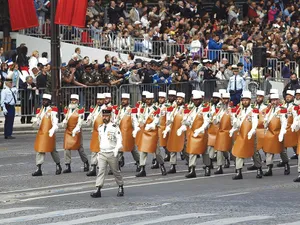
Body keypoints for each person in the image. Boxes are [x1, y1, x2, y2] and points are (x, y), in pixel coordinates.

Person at [90, 108, 124, 198]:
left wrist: (116, 149)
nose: (105, 118)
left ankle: (120, 186)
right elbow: (99, 140)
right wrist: (99, 152)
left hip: (112, 153)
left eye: (107, 116)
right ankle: (98, 189)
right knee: (101, 171)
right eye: (103, 116)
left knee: (115, 171)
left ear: (110, 116)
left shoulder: (114, 127)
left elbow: (120, 140)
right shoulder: (100, 127)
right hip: (102, 153)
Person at [177, 91, 211, 178]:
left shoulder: (205, 109)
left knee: (204, 151)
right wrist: (182, 126)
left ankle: (207, 166)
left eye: (197, 100)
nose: (196, 102)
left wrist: (200, 129)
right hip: (193, 133)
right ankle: (192, 169)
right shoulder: (191, 110)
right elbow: (189, 122)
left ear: (201, 100)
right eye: (194, 100)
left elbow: (207, 122)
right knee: (192, 151)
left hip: (202, 133)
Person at [133, 92, 167, 177]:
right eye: (146, 99)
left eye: (149, 99)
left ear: (152, 100)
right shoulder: (143, 108)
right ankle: (142, 169)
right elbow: (140, 117)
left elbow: (156, 120)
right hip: (145, 132)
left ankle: (162, 165)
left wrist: (150, 125)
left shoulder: (156, 109)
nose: (147, 101)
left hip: (153, 133)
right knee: (142, 150)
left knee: (157, 152)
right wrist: (139, 124)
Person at [230, 91, 259, 180]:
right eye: (243, 100)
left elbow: (255, 123)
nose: (245, 102)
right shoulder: (240, 111)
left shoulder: (254, 110)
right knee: (239, 152)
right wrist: (233, 126)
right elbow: (238, 124)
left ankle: (259, 168)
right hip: (241, 135)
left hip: (251, 135)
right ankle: (239, 172)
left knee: (254, 152)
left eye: (246, 100)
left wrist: (252, 131)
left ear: (250, 101)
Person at [32, 94, 62, 176]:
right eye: (43, 100)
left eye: (46, 100)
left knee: (52, 150)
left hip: (49, 134)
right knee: (40, 150)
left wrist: (53, 130)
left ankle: (58, 165)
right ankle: (39, 168)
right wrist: (35, 122)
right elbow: (38, 122)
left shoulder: (52, 111)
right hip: (41, 134)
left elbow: (55, 123)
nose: (44, 101)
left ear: (49, 101)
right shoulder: (40, 110)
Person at [61, 94, 89, 173]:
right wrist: (64, 122)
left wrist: (76, 129)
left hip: (76, 131)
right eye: (72, 100)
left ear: (77, 101)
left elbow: (80, 121)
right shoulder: (67, 108)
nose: (73, 101)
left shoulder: (80, 109)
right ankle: (67, 165)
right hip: (68, 130)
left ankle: (86, 162)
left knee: (79, 148)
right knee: (66, 148)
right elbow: (65, 118)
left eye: (74, 100)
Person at [263, 93, 287, 176]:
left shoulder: (282, 110)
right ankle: (269, 168)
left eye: (275, 100)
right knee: (269, 150)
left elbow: (284, 122)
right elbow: (266, 121)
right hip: (270, 133)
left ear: (278, 101)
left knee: (282, 150)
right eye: (272, 100)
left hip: (278, 132)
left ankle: (286, 163)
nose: (273, 102)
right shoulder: (269, 110)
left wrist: (282, 133)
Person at [115, 93, 140, 172]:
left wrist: (135, 130)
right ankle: (118, 164)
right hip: (121, 132)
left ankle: (139, 162)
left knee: (133, 149)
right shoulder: (119, 109)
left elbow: (135, 121)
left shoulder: (132, 110)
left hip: (129, 132)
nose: (123, 101)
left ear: (128, 101)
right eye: (122, 100)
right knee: (120, 148)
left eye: (125, 100)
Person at [163, 92, 186, 174]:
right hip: (174, 131)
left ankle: (191, 164)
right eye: (177, 99)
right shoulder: (174, 109)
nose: (178, 100)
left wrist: (182, 128)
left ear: (183, 99)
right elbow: (170, 120)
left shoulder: (186, 109)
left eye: (180, 99)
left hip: (183, 132)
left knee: (185, 148)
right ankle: (173, 165)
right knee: (173, 147)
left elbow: (187, 121)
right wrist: (167, 129)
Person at [85, 93, 106, 176]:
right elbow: (90, 121)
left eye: (101, 100)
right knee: (94, 150)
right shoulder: (95, 109)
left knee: (103, 151)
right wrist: (89, 120)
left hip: (103, 133)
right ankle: (93, 167)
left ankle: (106, 167)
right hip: (95, 132)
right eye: (98, 100)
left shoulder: (106, 109)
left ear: (104, 100)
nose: (99, 101)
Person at [247, 90, 267, 171]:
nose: (258, 98)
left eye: (260, 97)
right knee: (254, 148)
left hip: (263, 129)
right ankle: (256, 163)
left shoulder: (265, 107)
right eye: (257, 97)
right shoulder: (252, 107)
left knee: (266, 148)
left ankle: (269, 163)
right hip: (254, 129)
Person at [213, 92, 233, 173]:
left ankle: (236, 165)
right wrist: (215, 118)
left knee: (231, 150)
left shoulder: (232, 109)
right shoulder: (220, 110)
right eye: (223, 99)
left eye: (226, 99)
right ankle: (219, 166)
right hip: (221, 132)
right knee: (219, 149)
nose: (225, 101)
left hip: (229, 132)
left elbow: (234, 122)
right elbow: (216, 122)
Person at [1, 74, 18, 139]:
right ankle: (7, 134)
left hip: (12, 106)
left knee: (11, 120)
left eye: (11, 82)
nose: (11, 84)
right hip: (7, 106)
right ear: (6, 83)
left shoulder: (12, 90)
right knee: (8, 120)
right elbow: (2, 100)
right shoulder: (4, 90)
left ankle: (8, 133)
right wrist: (4, 108)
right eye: (10, 82)